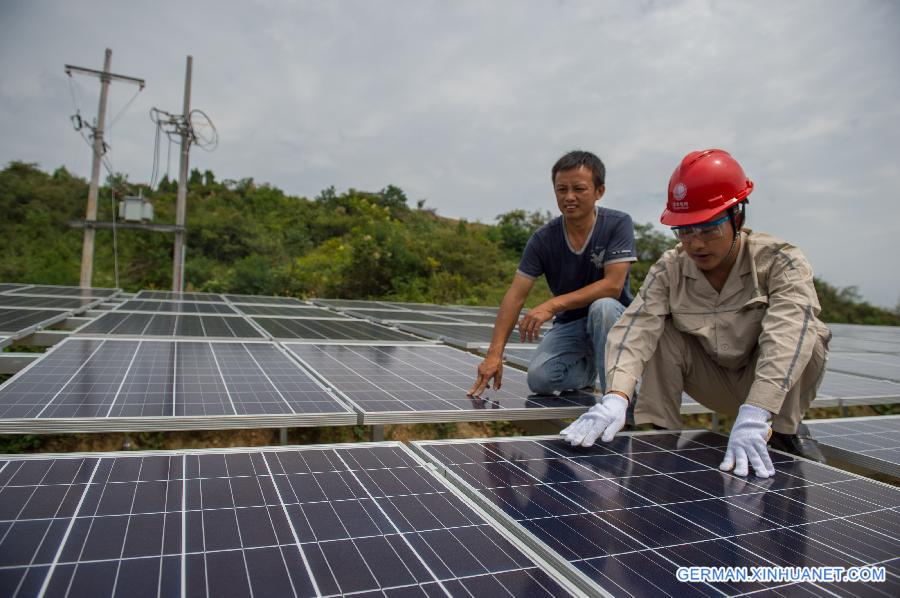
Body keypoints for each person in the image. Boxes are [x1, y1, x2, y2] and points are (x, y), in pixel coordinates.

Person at [561, 149, 830, 479]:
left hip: (770, 390)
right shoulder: (671, 267)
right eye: (685, 230)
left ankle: (785, 431)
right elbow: (636, 327)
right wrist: (616, 397)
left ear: (737, 218)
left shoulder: (779, 261)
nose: (696, 244)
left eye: (708, 228)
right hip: (712, 378)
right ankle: (656, 438)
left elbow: (787, 334)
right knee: (660, 331)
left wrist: (757, 410)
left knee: (809, 334)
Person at [468, 150, 637, 399]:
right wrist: (494, 354)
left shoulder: (617, 223)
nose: (569, 197)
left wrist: (553, 304)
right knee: (540, 379)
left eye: (579, 189)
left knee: (602, 307)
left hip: (613, 319)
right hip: (571, 324)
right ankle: (589, 371)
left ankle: (621, 402)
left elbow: (613, 286)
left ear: (599, 191)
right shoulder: (543, 239)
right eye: (561, 189)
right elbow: (515, 295)